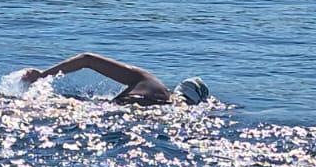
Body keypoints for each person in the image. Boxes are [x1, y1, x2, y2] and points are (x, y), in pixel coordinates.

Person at [19, 52, 209, 105]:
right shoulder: (177, 108)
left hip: (111, 110)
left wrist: (42, 75)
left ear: (179, 89)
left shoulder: (149, 81)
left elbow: (87, 59)